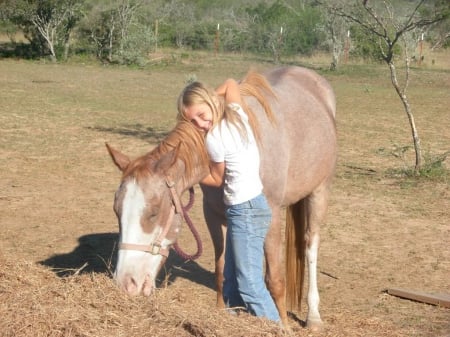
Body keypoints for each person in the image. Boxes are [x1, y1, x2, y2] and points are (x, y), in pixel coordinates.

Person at [177, 78, 280, 323]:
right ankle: (232, 326)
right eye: (193, 121)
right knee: (231, 281)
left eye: (202, 115)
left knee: (250, 285)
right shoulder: (236, 114)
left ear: (210, 104)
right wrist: (211, 98)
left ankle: (276, 329)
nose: (201, 124)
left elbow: (217, 178)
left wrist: (192, 175)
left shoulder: (213, 139)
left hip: (244, 211)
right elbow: (233, 84)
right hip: (252, 207)